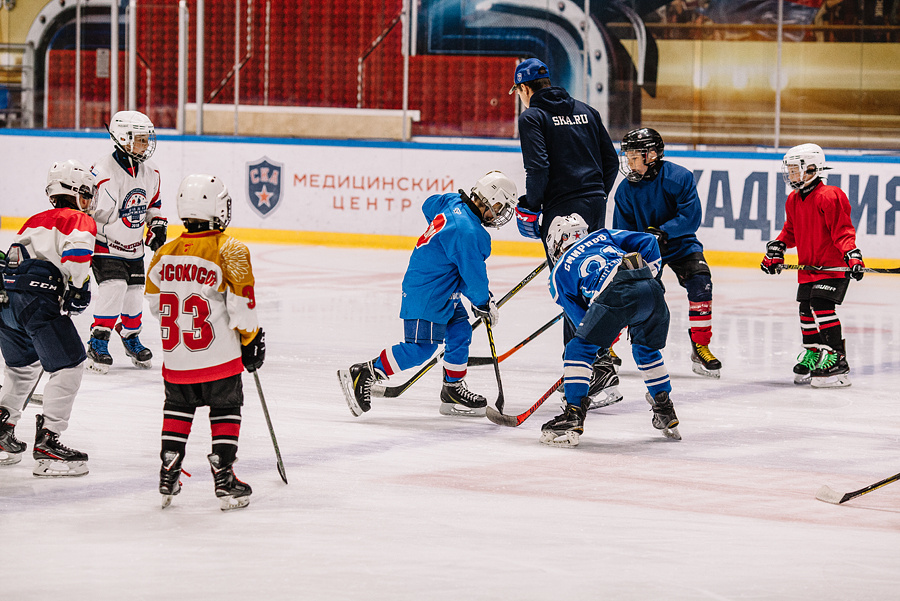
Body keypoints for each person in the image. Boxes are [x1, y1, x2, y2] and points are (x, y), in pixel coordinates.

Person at [337, 171, 518, 418]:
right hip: (429, 292)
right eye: (501, 206)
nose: (500, 214)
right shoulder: (469, 233)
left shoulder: (453, 202)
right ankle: (365, 372)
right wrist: (483, 302)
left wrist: (480, 299)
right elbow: (473, 277)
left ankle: (452, 389)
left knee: (460, 330)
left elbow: (429, 204)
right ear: (491, 200)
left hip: (441, 288)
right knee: (420, 349)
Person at [145, 174, 265, 511]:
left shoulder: (164, 253)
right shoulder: (231, 249)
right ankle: (224, 475)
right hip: (218, 359)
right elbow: (241, 305)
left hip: (177, 360)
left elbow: (155, 304)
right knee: (226, 407)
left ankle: (169, 468)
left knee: (177, 408)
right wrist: (252, 339)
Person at [508, 57, 622, 408]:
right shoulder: (586, 110)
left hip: (561, 213)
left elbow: (538, 168)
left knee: (569, 290)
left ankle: (595, 370)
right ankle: (590, 366)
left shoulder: (532, 117)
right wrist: (595, 195)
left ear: (525, 89)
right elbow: (611, 163)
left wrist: (533, 206)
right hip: (593, 205)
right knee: (590, 284)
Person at [539, 215, 681, 447]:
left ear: (556, 242)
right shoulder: (602, 235)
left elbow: (582, 324)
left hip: (615, 294)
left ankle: (573, 414)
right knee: (646, 350)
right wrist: (648, 279)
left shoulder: (557, 276)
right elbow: (648, 242)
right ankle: (665, 409)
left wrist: (606, 330)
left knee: (577, 349)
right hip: (651, 289)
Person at [0, 159, 97, 475]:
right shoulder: (78, 219)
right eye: (86, 193)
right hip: (36, 299)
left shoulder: (34, 219)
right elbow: (78, 254)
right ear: (76, 191)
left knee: (22, 367)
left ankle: (1, 433)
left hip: (5, 299)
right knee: (70, 362)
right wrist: (79, 287)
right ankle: (49, 442)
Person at [613, 127, 722, 378]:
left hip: (680, 244)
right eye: (627, 158)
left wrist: (664, 231)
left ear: (651, 155)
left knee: (701, 282)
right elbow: (623, 232)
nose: (629, 164)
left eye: (633, 157)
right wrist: (636, 250)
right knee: (630, 293)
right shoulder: (625, 190)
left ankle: (701, 346)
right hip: (646, 250)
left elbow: (691, 218)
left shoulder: (679, 177)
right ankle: (606, 346)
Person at [761, 143, 863, 388]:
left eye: (796, 170)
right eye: (790, 170)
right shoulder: (794, 199)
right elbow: (791, 232)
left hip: (832, 267)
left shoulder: (830, 195)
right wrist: (778, 248)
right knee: (806, 308)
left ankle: (837, 358)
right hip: (809, 268)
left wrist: (852, 254)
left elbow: (842, 231)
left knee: (821, 305)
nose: (792, 176)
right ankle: (814, 352)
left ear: (812, 169)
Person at [87, 110, 167, 374]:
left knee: (134, 296)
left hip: (134, 248)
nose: (146, 145)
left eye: (146, 139)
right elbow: (87, 210)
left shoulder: (150, 172)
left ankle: (130, 336)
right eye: (141, 139)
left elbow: (153, 205)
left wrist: (156, 224)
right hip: (105, 244)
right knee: (113, 289)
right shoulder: (101, 172)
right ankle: (98, 340)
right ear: (123, 138)